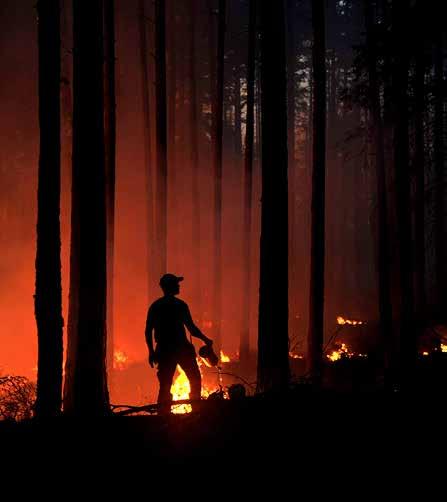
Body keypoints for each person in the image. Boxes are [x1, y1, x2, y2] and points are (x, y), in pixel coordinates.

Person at [145, 273, 213, 414]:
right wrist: (205, 339)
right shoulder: (180, 305)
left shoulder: (156, 306)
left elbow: (148, 331)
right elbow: (192, 329)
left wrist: (151, 352)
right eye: (176, 284)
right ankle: (196, 411)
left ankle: (164, 414)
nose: (178, 285)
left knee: (165, 384)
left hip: (164, 350)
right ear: (169, 287)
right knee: (194, 379)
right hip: (182, 349)